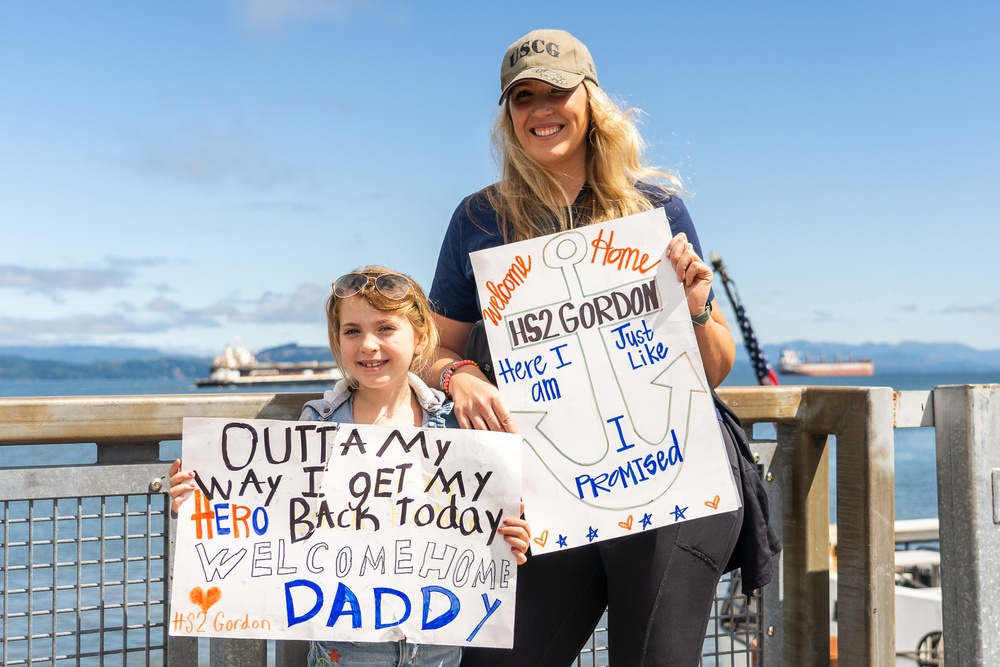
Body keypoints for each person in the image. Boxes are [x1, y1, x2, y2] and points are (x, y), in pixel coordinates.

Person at [425, 30, 744, 666]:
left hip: (671, 486)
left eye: (557, 92)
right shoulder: (479, 219)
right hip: (541, 495)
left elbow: (712, 369)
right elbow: (431, 350)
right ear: (508, 116)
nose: (541, 110)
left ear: (591, 100)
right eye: (523, 98)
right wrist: (458, 374)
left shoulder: (654, 207)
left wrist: (699, 304)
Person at [169, 266, 532, 667]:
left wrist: (510, 540)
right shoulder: (317, 426)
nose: (368, 345)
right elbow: (272, 521)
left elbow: (482, 530)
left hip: (438, 652)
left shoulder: (452, 428)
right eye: (352, 331)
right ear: (337, 341)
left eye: (386, 329)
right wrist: (202, 505)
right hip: (343, 654)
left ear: (422, 338)